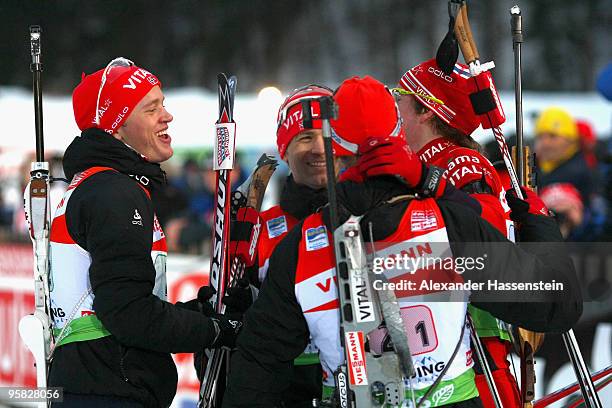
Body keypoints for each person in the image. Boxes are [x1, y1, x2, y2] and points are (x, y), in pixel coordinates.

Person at [222, 76, 582, 407]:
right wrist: (540, 225)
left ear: (337, 148)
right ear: (397, 137)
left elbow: (257, 369)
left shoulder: (299, 248)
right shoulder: (448, 223)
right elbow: (556, 306)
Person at [47, 58, 242, 408]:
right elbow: (128, 315)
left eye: (163, 104)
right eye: (151, 108)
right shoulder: (115, 193)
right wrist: (216, 331)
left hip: (93, 383)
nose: (167, 116)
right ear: (117, 127)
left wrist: (197, 314)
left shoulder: (92, 187)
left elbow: (112, 300)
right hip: (111, 390)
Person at [394, 58, 519, 407]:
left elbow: (485, 251)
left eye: (400, 95)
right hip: (433, 336)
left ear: (426, 111)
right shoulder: (423, 162)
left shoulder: (460, 162)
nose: (395, 104)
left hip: (473, 343)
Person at [239, 84, 339, 407]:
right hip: (285, 389)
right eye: (305, 137)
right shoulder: (262, 227)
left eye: (326, 135)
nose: (318, 148)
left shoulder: (371, 217)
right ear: (284, 149)